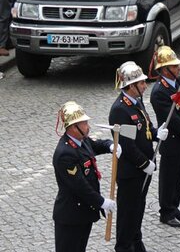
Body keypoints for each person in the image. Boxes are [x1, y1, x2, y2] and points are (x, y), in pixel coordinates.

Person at [108, 61, 169, 252]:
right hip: (131, 172)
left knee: (138, 208)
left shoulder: (137, 101)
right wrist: (144, 163)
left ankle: (136, 240)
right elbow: (127, 145)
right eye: (141, 83)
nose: (145, 85)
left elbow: (145, 125)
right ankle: (124, 246)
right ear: (130, 86)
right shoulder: (120, 109)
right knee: (127, 213)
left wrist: (156, 131)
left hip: (144, 169)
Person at [53, 101, 117, 252]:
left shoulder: (81, 140)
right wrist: (101, 202)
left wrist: (110, 145)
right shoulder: (65, 153)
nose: (88, 126)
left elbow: (95, 145)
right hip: (71, 216)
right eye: (84, 123)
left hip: (83, 213)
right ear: (73, 127)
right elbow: (79, 186)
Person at [149, 46, 180, 227]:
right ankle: (166, 212)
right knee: (168, 179)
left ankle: (174, 207)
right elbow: (173, 119)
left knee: (179, 176)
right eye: (174, 66)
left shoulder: (177, 82)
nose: (178, 68)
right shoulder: (159, 92)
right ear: (164, 70)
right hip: (172, 140)